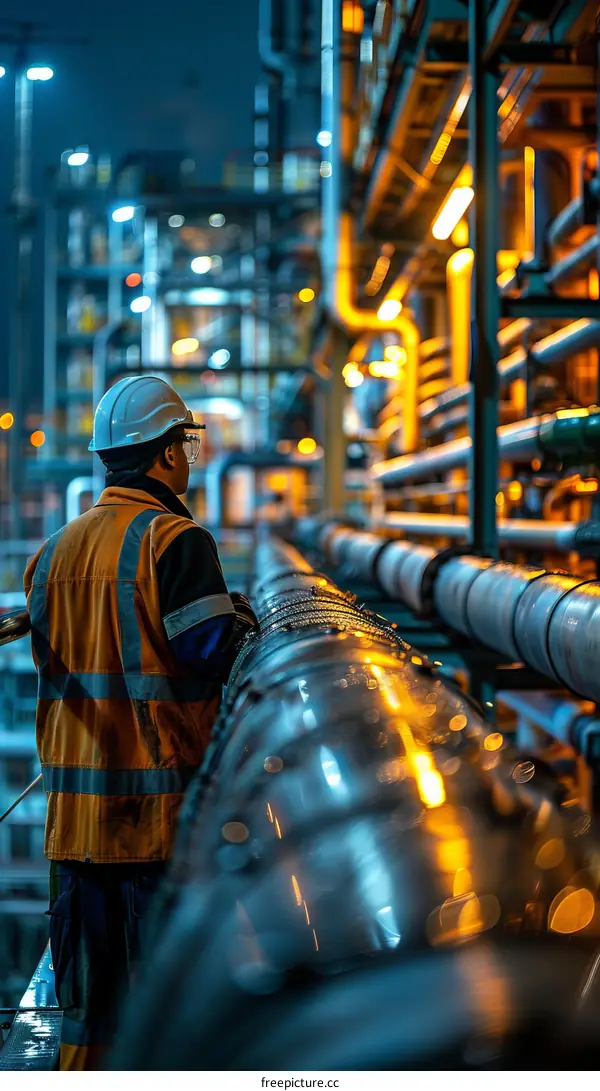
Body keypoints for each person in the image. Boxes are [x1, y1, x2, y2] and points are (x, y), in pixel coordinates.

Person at [24, 375, 259, 1070]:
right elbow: (210, 650)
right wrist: (242, 618)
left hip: (73, 830)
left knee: (86, 1019)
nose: (190, 458)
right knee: (165, 1022)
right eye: (184, 444)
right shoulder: (176, 541)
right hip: (155, 826)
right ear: (161, 455)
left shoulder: (54, 552)